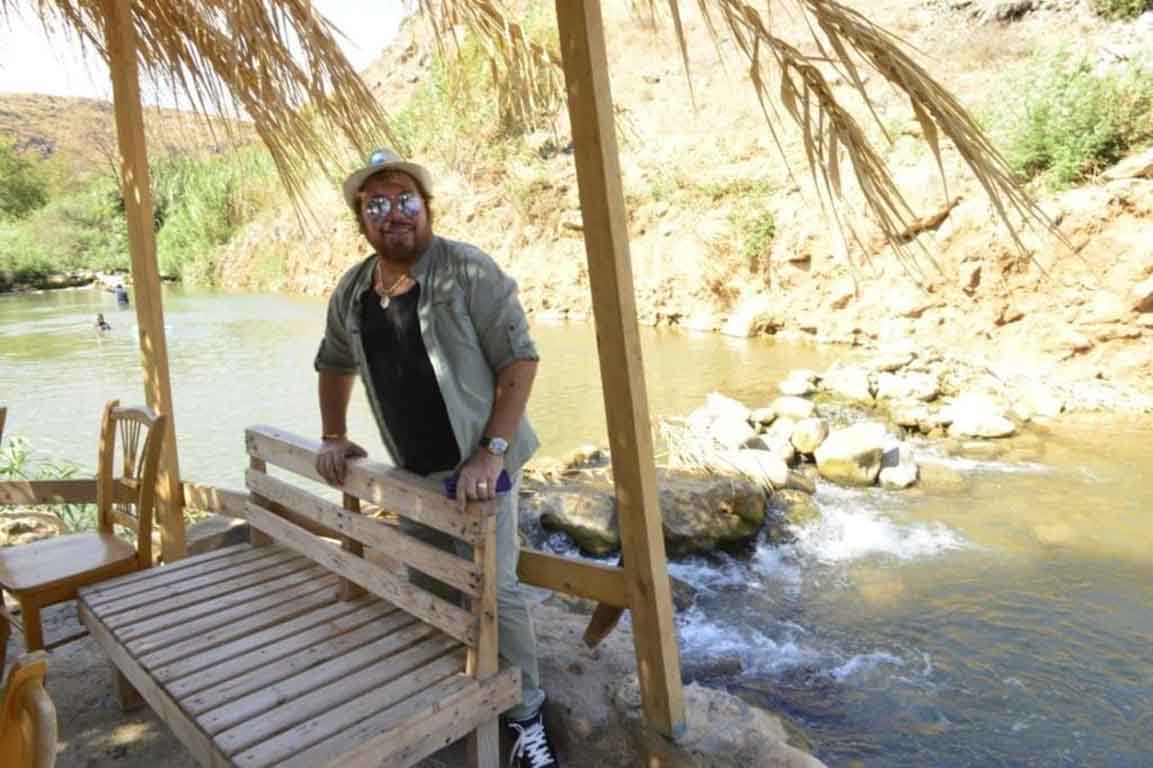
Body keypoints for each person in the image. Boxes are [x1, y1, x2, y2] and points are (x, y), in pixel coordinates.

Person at [313, 148, 559, 768]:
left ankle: (526, 716)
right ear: (361, 220)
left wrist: (491, 454)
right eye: (376, 205)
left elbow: (519, 361)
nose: (392, 213)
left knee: (496, 589)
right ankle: (458, 692)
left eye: (404, 200)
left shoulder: (467, 270)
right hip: (411, 470)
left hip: (480, 469)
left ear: (426, 207)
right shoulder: (353, 289)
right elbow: (333, 362)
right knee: (428, 577)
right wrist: (333, 434)